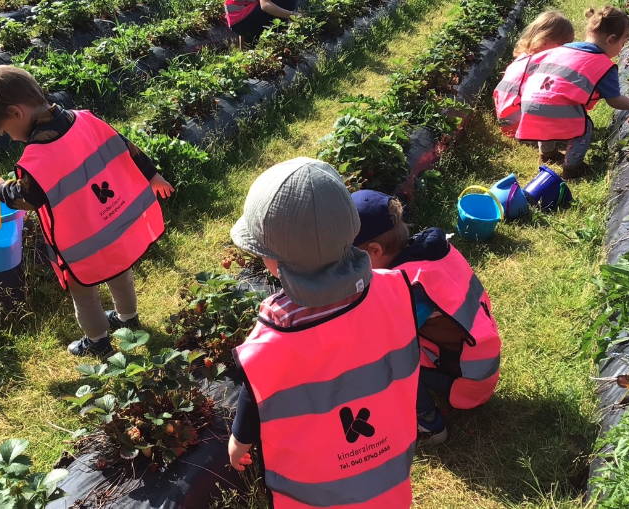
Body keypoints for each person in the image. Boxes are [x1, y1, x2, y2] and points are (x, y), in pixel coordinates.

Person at [227, 157, 421, 508]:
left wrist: (238, 443)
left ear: (276, 263)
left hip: (314, 495)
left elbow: (253, 402)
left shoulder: (272, 341)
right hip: (389, 477)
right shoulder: (396, 288)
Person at [0, 65, 174, 358]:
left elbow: (26, 198)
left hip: (82, 242)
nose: (12, 138)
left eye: (6, 131)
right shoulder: (86, 120)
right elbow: (123, 145)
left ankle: (98, 342)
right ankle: (129, 319)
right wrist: (151, 173)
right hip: (114, 224)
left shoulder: (37, 157)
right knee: (120, 274)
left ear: (16, 113)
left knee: (84, 293)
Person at [351, 190, 502, 446]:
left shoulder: (411, 288)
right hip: (480, 357)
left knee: (387, 361)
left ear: (374, 250)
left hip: (468, 375)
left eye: (352, 259)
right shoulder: (432, 250)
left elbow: (391, 341)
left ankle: (430, 425)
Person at [516, 6, 629, 179]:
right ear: (611, 39)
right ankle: (573, 168)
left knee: (548, 114)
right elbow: (616, 101)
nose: (622, 48)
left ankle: (548, 154)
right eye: (623, 43)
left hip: (530, 102)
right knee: (583, 127)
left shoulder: (563, 49)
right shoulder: (603, 64)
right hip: (549, 104)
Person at [494, 11, 575, 139]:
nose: (565, 51)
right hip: (519, 125)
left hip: (506, 119)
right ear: (544, 41)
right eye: (562, 46)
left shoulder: (522, 58)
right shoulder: (541, 65)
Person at [225, 0, 296, 40]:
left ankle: (252, 39)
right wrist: (293, 15)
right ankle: (280, 36)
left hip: (238, 24)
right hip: (243, 21)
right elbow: (265, 6)